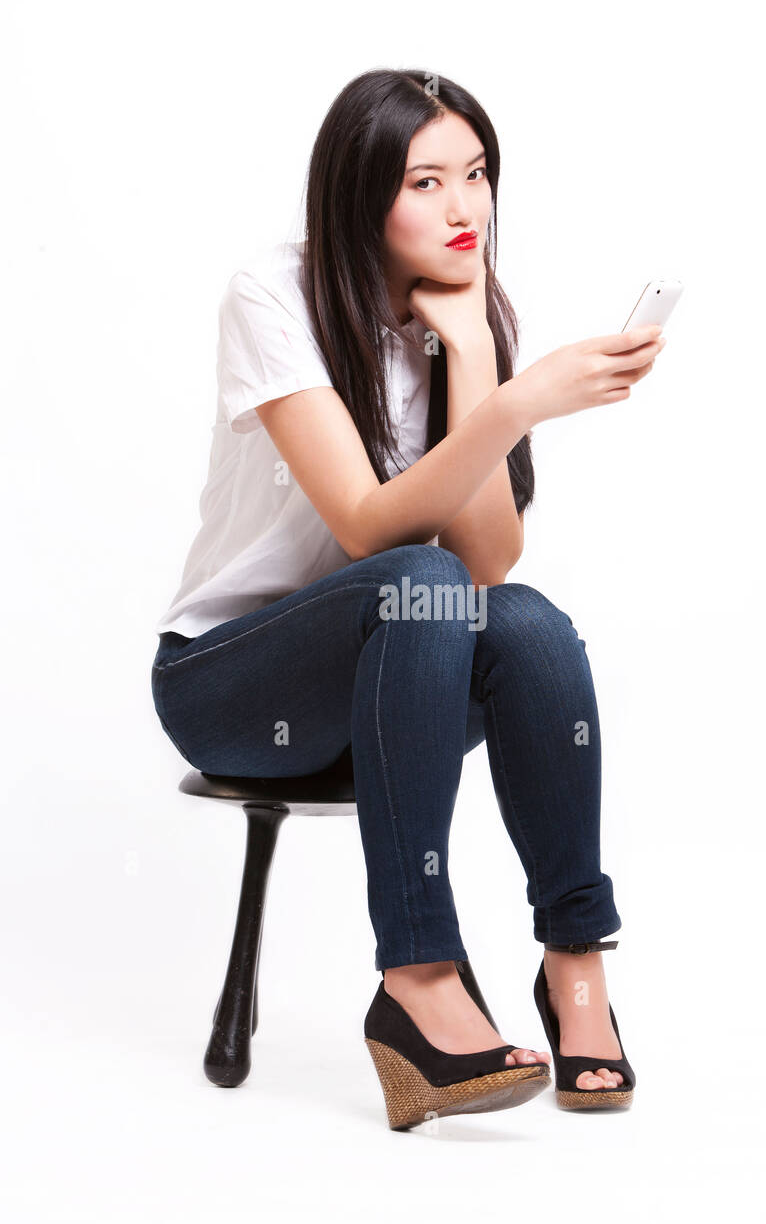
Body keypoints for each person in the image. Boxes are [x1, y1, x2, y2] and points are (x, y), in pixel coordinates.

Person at [151, 68, 663, 1129]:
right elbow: (364, 527)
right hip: (231, 679)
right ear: (357, 194)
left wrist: (474, 354)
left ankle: (574, 966)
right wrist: (519, 403)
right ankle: (418, 976)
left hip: (389, 674)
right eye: (424, 182)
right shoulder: (273, 294)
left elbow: (488, 566)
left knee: (521, 622)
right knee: (418, 579)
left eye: (474, 174)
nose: (462, 207)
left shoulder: (462, 313)